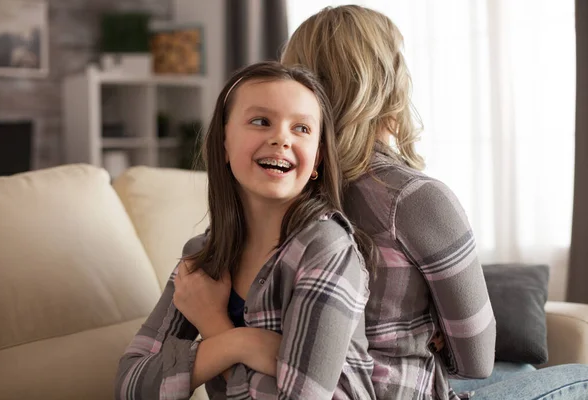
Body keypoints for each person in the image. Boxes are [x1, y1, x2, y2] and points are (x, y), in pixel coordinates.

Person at [281, 5, 588, 400]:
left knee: (523, 369)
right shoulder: (413, 198)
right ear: (389, 83)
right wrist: (431, 329)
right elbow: (477, 362)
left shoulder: (285, 190)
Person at [115, 61, 376, 400]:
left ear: (318, 159)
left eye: (301, 128)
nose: (281, 138)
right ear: (223, 143)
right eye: (260, 121)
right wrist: (241, 343)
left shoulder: (327, 248)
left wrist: (213, 324)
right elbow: (129, 385)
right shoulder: (204, 254)